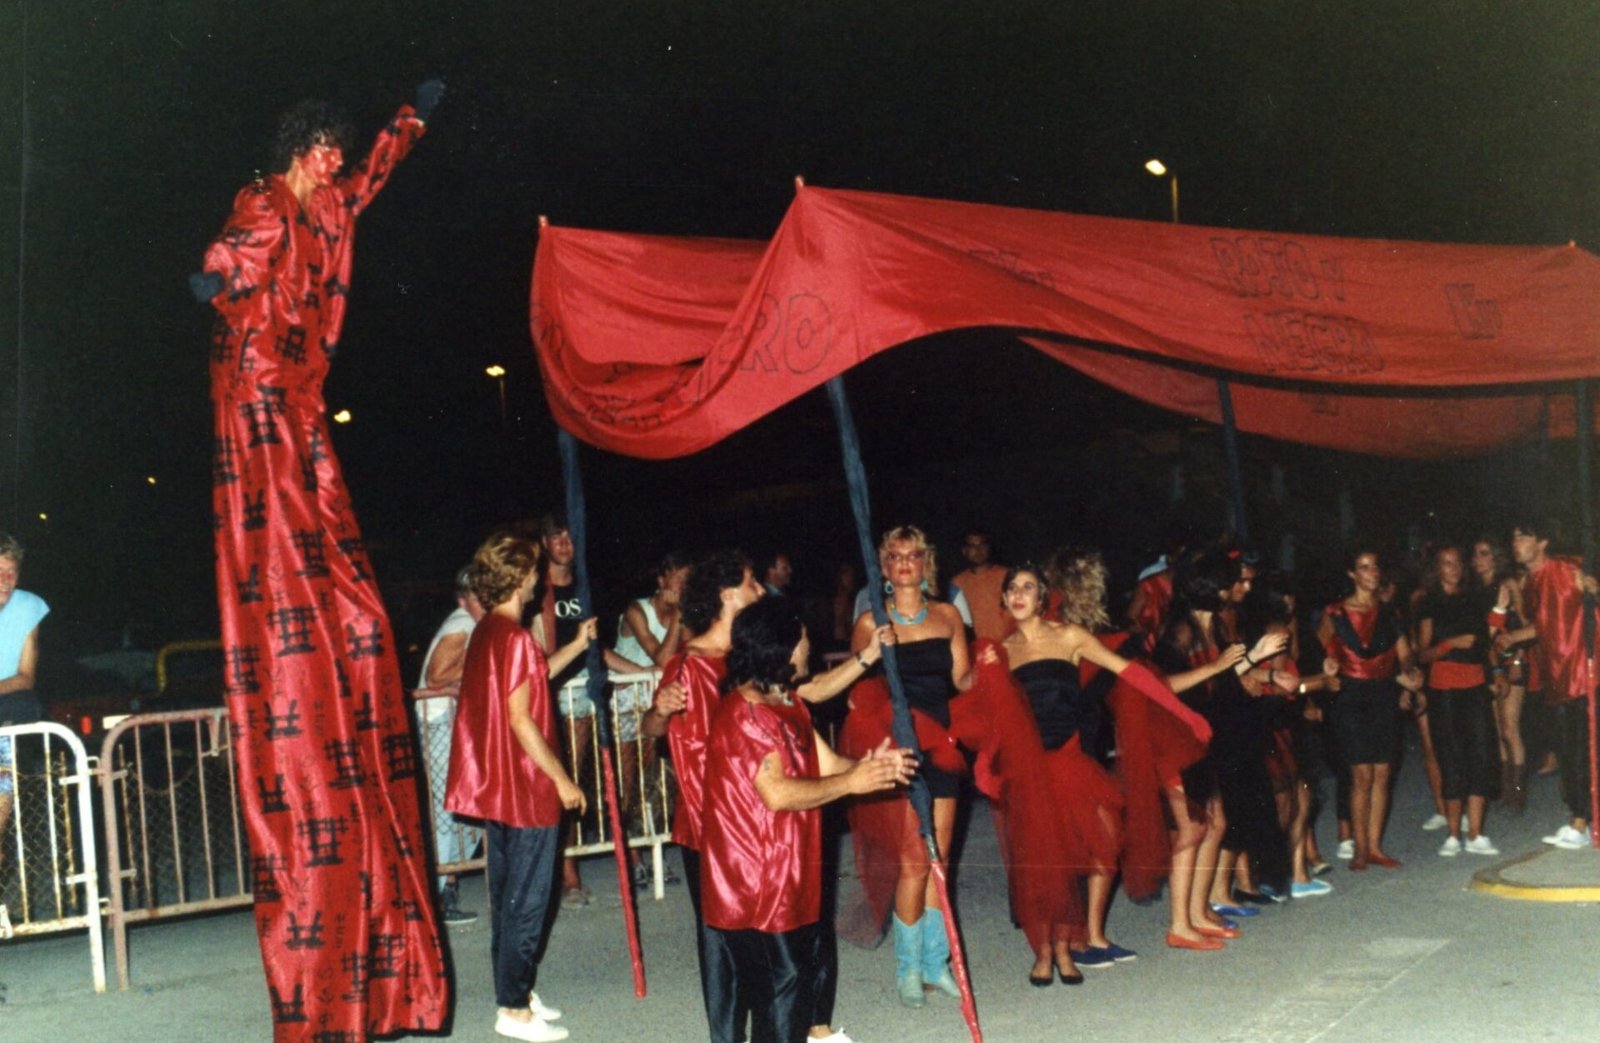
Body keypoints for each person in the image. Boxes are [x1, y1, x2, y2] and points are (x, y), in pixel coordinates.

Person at [193, 84, 448, 1038]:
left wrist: (408, 124)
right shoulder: (265, 198)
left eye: (344, 155)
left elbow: (375, 179)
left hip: (302, 400)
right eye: (326, 153)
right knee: (289, 558)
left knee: (360, 611)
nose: (337, 166)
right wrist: (215, 281)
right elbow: (234, 250)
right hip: (255, 394)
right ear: (300, 151)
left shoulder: (334, 201)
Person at [987, 559, 1211, 981]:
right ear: (1003, 599)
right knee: (1042, 860)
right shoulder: (1003, 652)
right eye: (1012, 588)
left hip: (1071, 760)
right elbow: (1002, 718)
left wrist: (1183, 712)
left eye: (1028, 587)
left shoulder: (1070, 636)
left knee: (1097, 844)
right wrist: (985, 765)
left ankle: (1071, 946)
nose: (1019, 594)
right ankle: (1046, 952)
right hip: (1028, 767)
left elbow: (1133, 676)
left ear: (1042, 598)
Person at [701, 597, 912, 1043]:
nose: (808, 650)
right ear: (779, 647)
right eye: (802, 641)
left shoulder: (787, 701)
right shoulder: (746, 714)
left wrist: (872, 772)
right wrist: (851, 783)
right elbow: (776, 793)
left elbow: (829, 762)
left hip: (789, 867)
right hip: (755, 880)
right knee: (782, 986)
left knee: (792, 982)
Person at [446, 532, 584, 1042]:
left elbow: (528, 681)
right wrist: (564, 781)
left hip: (500, 789)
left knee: (508, 898)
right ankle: (513, 1010)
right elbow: (522, 719)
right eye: (536, 571)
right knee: (527, 903)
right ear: (522, 577)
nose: (540, 579)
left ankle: (517, 992)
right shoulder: (517, 637)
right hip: (527, 791)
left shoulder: (489, 631)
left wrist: (577, 643)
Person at [843, 525, 971, 1007]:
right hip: (900, 747)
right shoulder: (870, 620)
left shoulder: (946, 615)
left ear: (925, 562)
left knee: (939, 860)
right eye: (894, 557)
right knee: (913, 861)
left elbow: (962, 679)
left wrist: (997, 667)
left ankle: (935, 963)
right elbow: (857, 686)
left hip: (943, 745)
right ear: (883, 565)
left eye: (913, 556)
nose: (904, 564)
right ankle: (907, 969)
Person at [530, 513, 626, 908]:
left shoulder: (585, 588)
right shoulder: (538, 590)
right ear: (545, 543)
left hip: (582, 694)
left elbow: (598, 647)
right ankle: (564, 876)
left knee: (574, 776)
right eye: (557, 536)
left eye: (570, 536)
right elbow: (536, 652)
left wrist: (647, 672)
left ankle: (568, 871)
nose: (565, 543)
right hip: (550, 694)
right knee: (556, 781)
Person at [1494, 520, 1599, 850]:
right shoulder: (1530, 582)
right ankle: (1579, 816)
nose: (1515, 542)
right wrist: (1512, 636)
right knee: (1568, 752)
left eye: (1523, 535)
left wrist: (1593, 588)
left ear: (1542, 542)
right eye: (1513, 535)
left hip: (1583, 674)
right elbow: (1544, 626)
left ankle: (1580, 821)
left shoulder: (1567, 568)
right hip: (1557, 677)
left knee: (1583, 750)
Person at [1318, 549, 1423, 871]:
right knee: (1361, 774)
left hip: (1383, 694)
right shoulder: (1335, 613)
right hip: (1351, 695)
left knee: (1382, 773)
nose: (1372, 572)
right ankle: (1359, 848)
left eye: (1375, 566)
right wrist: (1327, 670)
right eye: (1364, 567)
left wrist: (1410, 672)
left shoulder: (1390, 613)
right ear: (1352, 574)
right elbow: (1320, 651)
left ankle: (1375, 846)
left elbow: (1404, 653)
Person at [1415, 544, 1501, 857]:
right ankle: (1453, 833)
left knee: (1480, 754)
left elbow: (1487, 642)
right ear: (1437, 568)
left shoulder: (1475, 599)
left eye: (1456, 563)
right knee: (1450, 756)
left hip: (1476, 682)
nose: (1452, 568)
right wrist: (1448, 644)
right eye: (1445, 563)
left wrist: (1497, 673)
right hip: (1444, 686)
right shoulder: (1428, 603)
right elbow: (1421, 653)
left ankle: (1476, 833)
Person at [612, 552, 690, 886]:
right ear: (662, 581)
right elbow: (661, 656)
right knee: (629, 782)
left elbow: (687, 653)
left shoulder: (683, 614)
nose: (685, 585)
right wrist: (679, 616)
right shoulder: (636, 610)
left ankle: (655, 853)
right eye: (679, 578)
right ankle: (633, 859)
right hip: (628, 703)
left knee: (657, 781)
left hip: (658, 704)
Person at [415, 566, 487, 924]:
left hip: (449, 719)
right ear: (464, 598)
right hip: (438, 719)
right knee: (448, 808)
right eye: (478, 595)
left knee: (461, 808)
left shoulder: (469, 623)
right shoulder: (462, 623)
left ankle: (446, 886)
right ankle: (442, 893)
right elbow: (436, 677)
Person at [0, 533, 47, 880]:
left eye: (12, 572)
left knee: (22, 705)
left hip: (9, 710)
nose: (6, 581)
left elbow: (25, 677)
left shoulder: (29, 607)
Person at [1474, 536, 1528, 812]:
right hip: (1489, 661)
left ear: (1495, 556)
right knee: (1497, 729)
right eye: (1476, 554)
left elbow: (1523, 622)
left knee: (1509, 726)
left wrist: (1519, 658)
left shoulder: (1507, 584)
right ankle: (1507, 788)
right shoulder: (1475, 589)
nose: (1478, 559)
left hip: (1511, 660)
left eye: (1484, 553)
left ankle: (1518, 792)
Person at [949, 528, 1013, 642]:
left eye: (982, 544)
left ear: (989, 548)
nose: (978, 550)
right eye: (972, 546)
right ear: (964, 551)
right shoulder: (957, 583)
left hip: (1008, 647)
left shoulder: (1007, 575)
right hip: (974, 651)